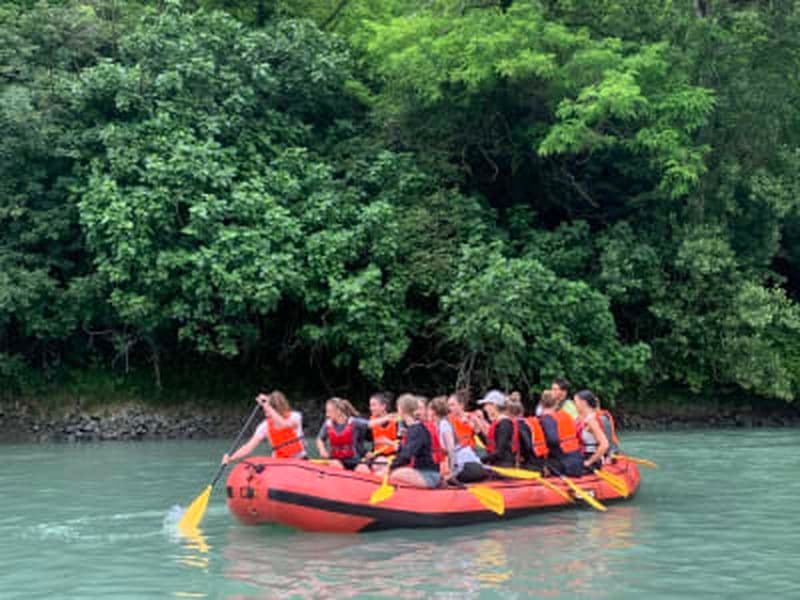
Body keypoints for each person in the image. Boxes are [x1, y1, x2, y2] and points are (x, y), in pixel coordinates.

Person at [222, 391, 306, 465]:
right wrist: (230, 458)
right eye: (265, 410)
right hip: (279, 463)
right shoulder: (264, 426)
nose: (266, 414)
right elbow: (248, 447)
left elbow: (284, 425)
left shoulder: (295, 417)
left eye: (269, 410)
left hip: (299, 461)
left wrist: (266, 405)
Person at [431, 395, 487, 483]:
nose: (450, 408)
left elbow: (451, 449)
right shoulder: (448, 421)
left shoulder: (446, 423)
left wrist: (479, 424)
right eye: (449, 405)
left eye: (452, 405)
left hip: (468, 461)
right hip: (471, 460)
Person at [389, 393, 441, 488]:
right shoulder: (413, 429)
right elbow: (403, 455)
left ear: (401, 409)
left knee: (394, 474)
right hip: (420, 471)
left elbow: (406, 455)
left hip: (427, 474)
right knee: (389, 471)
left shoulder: (416, 430)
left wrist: (391, 467)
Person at [316, 397, 370, 471]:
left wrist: (386, 418)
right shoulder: (327, 424)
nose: (327, 414)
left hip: (355, 460)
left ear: (338, 411)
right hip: (337, 460)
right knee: (335, 465)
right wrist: (322, 450)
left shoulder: (354, 422)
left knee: (363, 470)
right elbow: (320, 439)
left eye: (329, 411)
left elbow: (371, 424)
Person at [538, 390, 583, 476]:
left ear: (541, 404)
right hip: (577, 462)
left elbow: (553, 440)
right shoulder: (566, 416)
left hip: (562, 464)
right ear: (556, 403)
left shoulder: (543, 420)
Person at [478, 390, 527, 468]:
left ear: (493, 405)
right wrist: (478, 431)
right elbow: (491, 445)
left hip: (504, 467)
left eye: (486, 405)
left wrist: (478, 460)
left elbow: (499, 452)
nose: (484, 408)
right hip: (498, 465)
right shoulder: (500, 423)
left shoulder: (504, 424)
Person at [574, 390, 610, 472]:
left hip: (592, 459)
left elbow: (604, 444)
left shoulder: (591, 421)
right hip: (581, 455)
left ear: (583, 403)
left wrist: (588, 462)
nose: (574, 404)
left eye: (576, 401)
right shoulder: (581, 418)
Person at [366, 392, 400, 458]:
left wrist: (388, 442)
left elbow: (402, 443)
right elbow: (363, 441)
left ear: (383, 406)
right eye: (370, 405)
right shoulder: (369, 422)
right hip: (375, 456)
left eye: (374, 405)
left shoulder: (396, 421)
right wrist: (367, 452)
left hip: (394, 455)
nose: (371, 408)